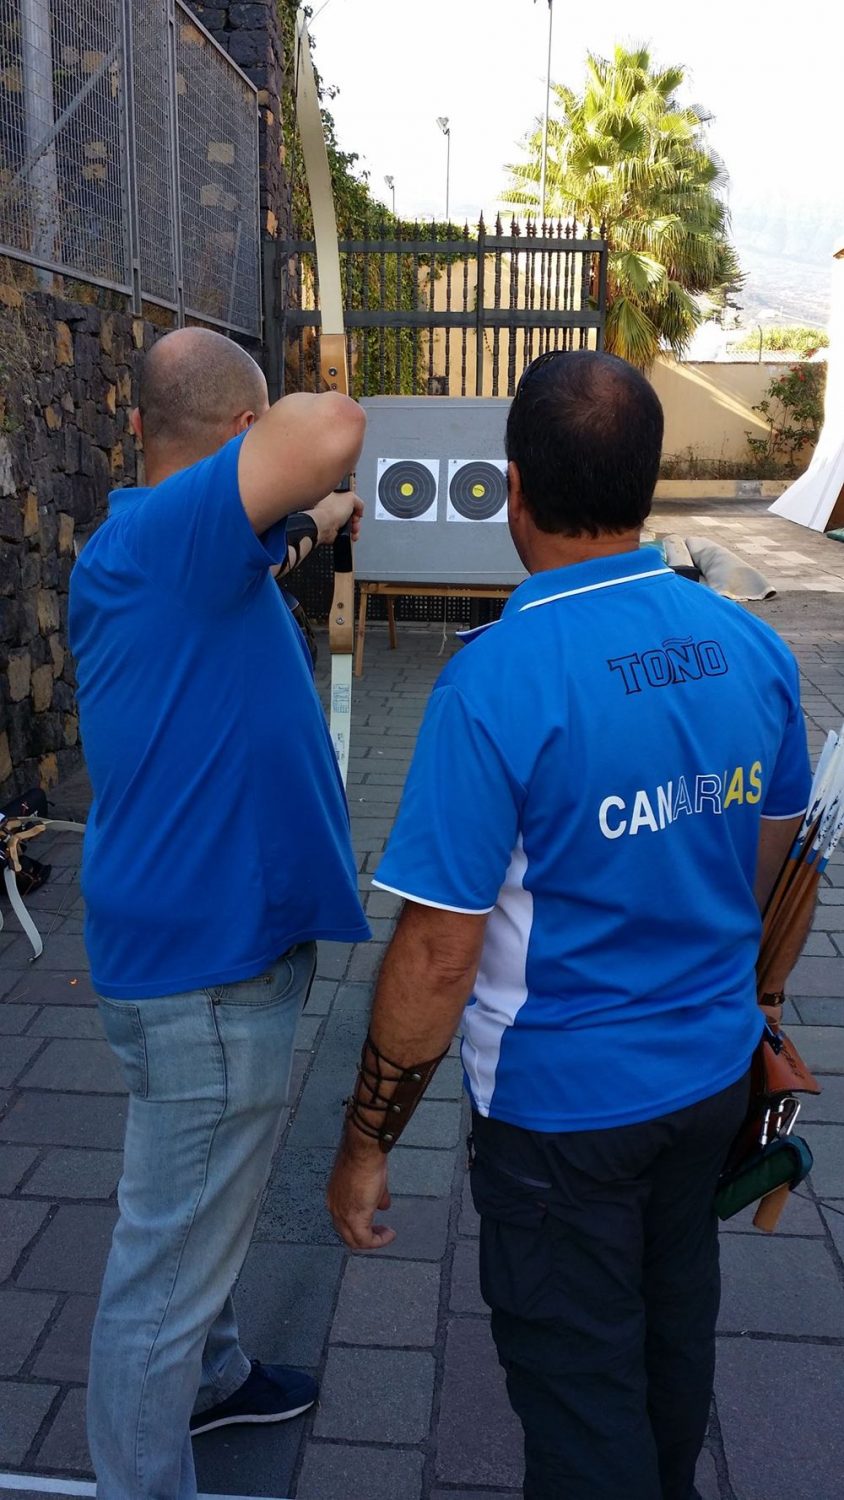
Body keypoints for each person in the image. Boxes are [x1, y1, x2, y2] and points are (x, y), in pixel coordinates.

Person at [327, 349, 816, 1500]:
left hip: (561, 1119)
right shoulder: (751, 646)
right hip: (708, 1079)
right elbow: (768, 855)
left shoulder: (494, 680)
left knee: (579, 1399)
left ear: (511, 490)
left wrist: (363, 1145)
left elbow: (436, 954)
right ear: (646, 481)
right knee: (670, 1334)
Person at [69, 327, 370, 1500]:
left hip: (184, 949)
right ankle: (140, 1476)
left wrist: (311, 526)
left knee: (200, 1203)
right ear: (242, 438)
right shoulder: (171, 532)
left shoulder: (179, 549)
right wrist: (308, 490)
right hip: (204, 978)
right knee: (163, 1269)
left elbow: (275, 529)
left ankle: (213, 1376)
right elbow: (332, 424)